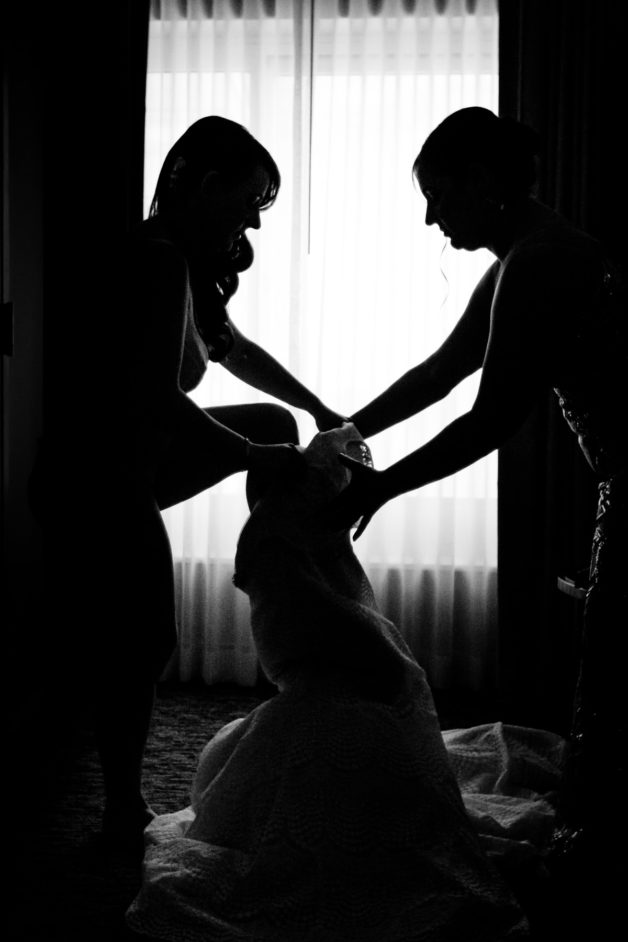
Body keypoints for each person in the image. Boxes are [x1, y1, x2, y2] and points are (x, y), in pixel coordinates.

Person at [328, 107, 627, 903]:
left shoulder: (543, 260)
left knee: (616, 663)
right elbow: (443, 370)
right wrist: (352, 427)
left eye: (439, 194)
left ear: (485, 182)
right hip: (621, 475)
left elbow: (490, 420)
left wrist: (383, 484)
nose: (432, 216)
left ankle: (593, 856)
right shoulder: (519, 258)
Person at [48, 116, 345, 855]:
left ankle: (284, 594)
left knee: (277, 422)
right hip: (93, 478)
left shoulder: (179, 261)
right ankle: (121, 807)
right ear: (206, 185)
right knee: (146, 639)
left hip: (139, 463)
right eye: (248, 202)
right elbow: (159, 400)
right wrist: (252, 457)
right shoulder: (151, 260)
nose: (251, 221)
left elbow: (232, 351)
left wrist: (318, 408)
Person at [126, 424, 529, 942]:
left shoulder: (284, 564)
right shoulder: (319, 573)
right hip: (356, 701)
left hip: (329, 711)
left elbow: (293, 658)